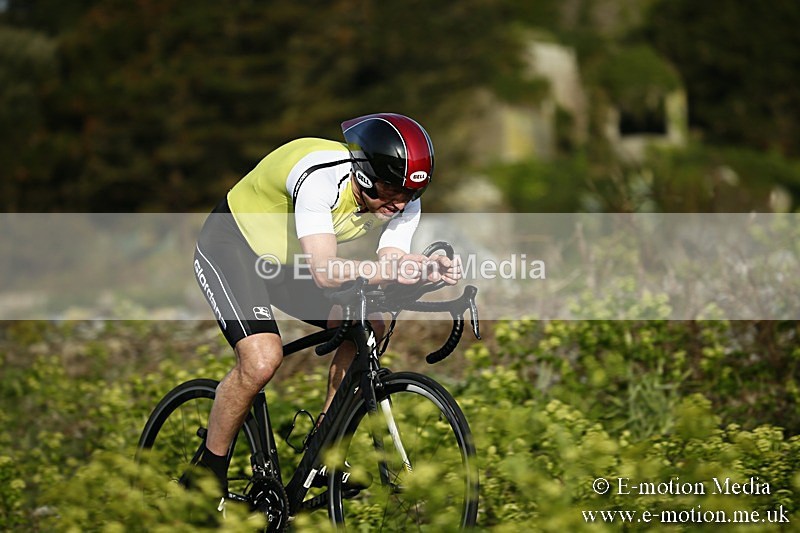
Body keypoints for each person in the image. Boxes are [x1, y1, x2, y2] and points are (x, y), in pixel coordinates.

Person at [191, 113, 460, 497]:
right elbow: (325, 272)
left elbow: (391, 263)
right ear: (365, 174)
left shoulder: (402, 199)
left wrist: (424, 271)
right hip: (232, 248)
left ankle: (323, 453)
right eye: (391, 191)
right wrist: (393, 272)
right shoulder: (321, 178)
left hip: (287, 265)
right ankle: (207, 474)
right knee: (262, 359)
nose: (400, 205)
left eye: (410, 195)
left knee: (370, 323)